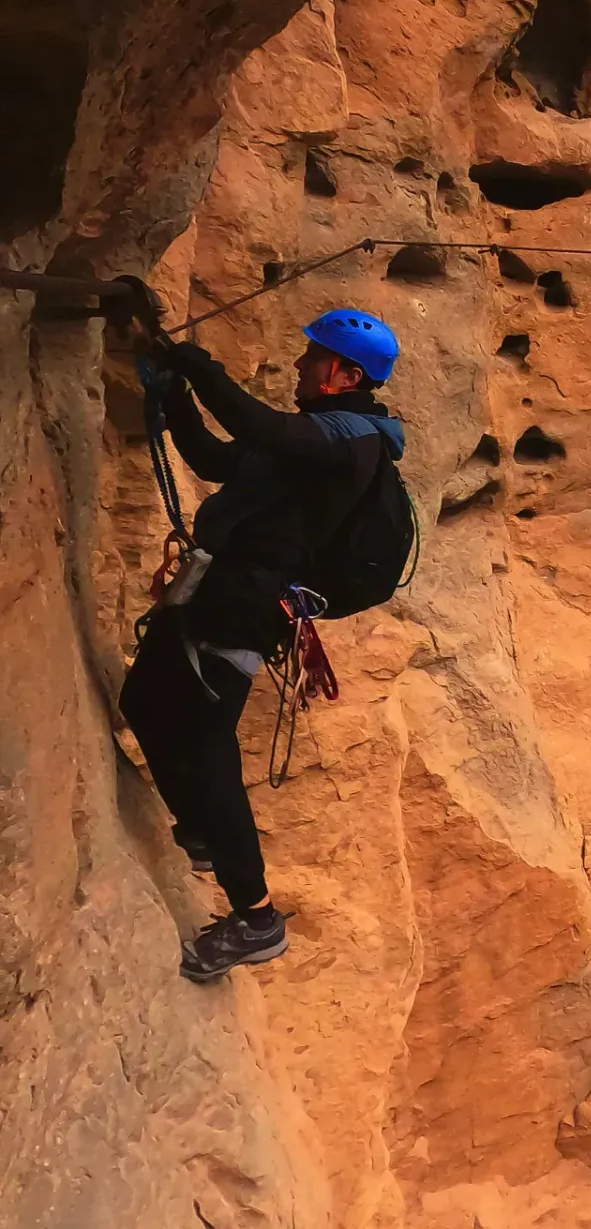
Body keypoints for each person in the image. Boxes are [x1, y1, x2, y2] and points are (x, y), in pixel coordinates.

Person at [119, 309, 404, 982]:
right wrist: (173, 391)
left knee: (209, 748)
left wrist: (197, 365)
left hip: (245, 607)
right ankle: (199, 829)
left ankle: (256, 919)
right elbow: (217, 457)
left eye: (314, 357)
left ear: (346, 373)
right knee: (143, 700)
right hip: (215, 590)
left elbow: (253, 426)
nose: (302, 364)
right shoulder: (310, 436)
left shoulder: (352, 440)